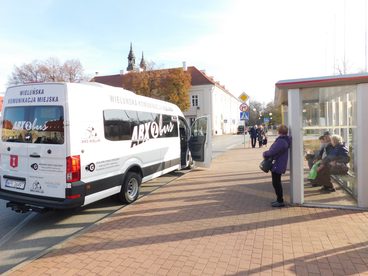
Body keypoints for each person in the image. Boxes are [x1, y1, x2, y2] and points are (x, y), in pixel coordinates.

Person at [262, 125, 291, 207]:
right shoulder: (284, 140)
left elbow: (272, 152)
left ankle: (280, 200)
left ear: (279, 131)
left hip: (277, 164)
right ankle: (279, 199)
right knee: (276, 182)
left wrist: (264, 153)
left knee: (276, 183)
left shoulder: (281, 141)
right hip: (278, 163)